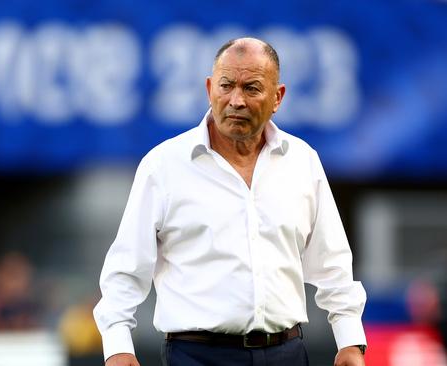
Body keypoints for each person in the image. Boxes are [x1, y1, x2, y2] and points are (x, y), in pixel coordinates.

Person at [93, 37, 367, 366]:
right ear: (210, 88)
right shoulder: (164, 166)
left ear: (278, 97)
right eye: (226, 86)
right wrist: (117, 346)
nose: (236, 100)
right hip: (196, 356)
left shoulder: (302, 162)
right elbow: (125, 269)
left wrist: (350, 339)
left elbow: (332, 263)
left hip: (287, 353)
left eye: (251, 88)